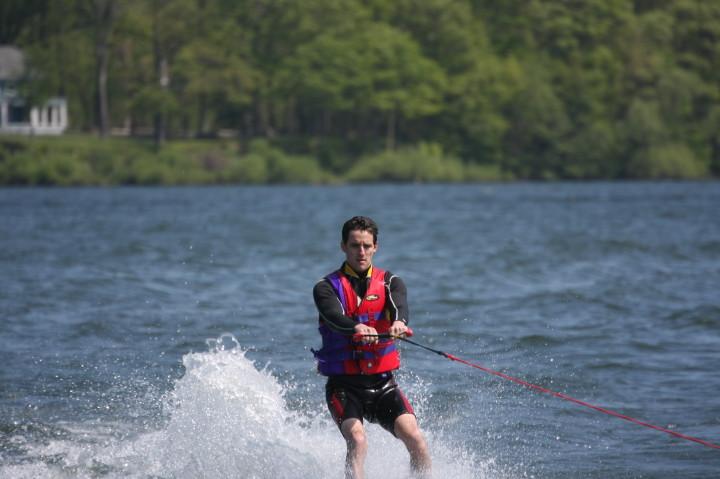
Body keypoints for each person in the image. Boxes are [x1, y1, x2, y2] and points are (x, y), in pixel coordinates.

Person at [312, 216, 431, 479]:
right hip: (344, 387)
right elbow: (333, 316)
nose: (361, 252)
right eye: (355, 245)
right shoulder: (325, 287)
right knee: (357, 439)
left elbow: (400, 307)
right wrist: (356, 327)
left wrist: (399, 323)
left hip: (382, 384)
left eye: (367, 245)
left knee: (416, 439)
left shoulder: (391, 282)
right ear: (343, 246)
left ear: (375, 246)